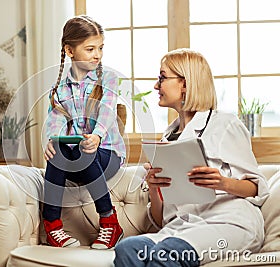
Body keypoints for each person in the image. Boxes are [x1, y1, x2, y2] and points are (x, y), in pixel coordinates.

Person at [114, 48, 269, 266]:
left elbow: (256, 188)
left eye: (162, 77)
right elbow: (160, 220)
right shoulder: (169, 136)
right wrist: (155, 189)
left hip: (228, 222)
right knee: (127, 249)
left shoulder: (224, 124)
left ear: (185, 83)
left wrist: (222, 182)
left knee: (169, 252)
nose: (156, 85)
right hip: (182, 227)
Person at [42, 15, 126, 250]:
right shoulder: (59, 87)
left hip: (107, 157)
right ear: (69, 50)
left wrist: (97, 135)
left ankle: (110, 222)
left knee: (84, 148)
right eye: (90, 49)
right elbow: (55, 118)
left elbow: (108, 112)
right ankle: (52, 226)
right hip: (76, 161)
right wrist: (51, 141)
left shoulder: (108, 78)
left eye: (100, 48)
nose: (97, 54)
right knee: (60, 147)